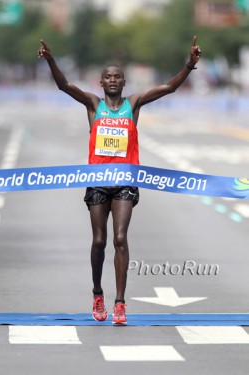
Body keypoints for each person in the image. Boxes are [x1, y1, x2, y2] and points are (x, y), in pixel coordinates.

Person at [37, 36, 202, 325]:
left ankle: (120, 303)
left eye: (117, 77)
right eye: (108, 77)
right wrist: (51, 59)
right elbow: (64, 86)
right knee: (99, 241)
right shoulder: (92, 104)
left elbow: (169, 88)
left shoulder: (134, 104)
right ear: (101, 83)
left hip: (125, 182)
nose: (112, 80)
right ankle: (98, 292)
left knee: (120, 238)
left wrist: (189, 64)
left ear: (124, 82)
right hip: (98, 183)